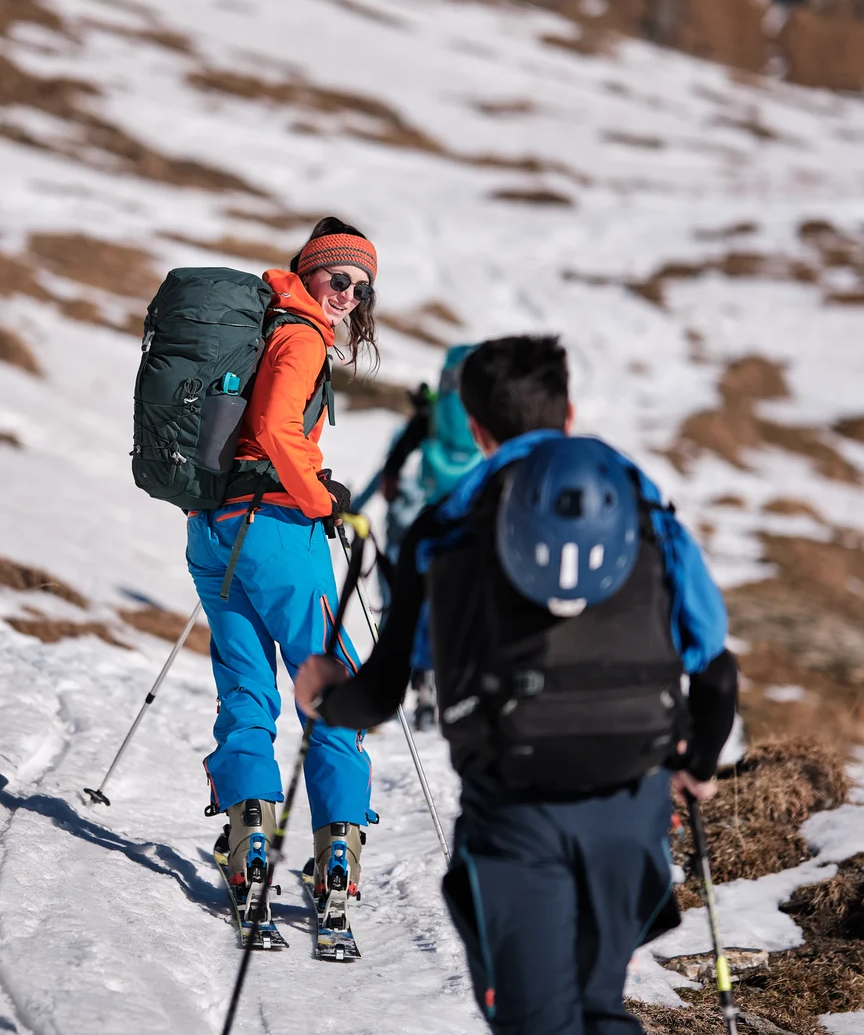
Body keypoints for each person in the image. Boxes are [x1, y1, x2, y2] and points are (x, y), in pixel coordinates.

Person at [295, 335, 739, 1032]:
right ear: (569, 413)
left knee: (537, 1019)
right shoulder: (643, 510)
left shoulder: (445, 529)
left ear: (476, 429)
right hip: (632, 802)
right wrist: (699, 764)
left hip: (515, 807)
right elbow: (715, 669)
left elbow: (381, 693)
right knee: (598, 1004)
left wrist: (323, 694)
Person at [185, 216, 380, 950]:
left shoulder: (265, 330)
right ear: (309, 270)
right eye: (339, 277)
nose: (348, 295)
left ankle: (249, 856)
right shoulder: (300, 336)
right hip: (276, 535)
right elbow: (273, 425)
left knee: (246, 693)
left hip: (214, 531)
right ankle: (336, 868)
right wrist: (321, 499)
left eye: (361, 288)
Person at [372, 343, 483, 727]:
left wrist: (391, 483)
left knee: (411, 601)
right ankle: (438, 686)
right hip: (471, 523)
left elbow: (395, 464)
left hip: (429, 518)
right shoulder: (481, 415)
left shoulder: (431, 416)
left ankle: (399, 686)